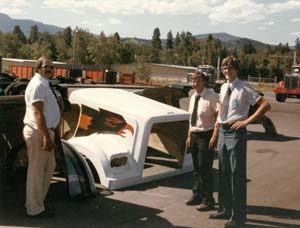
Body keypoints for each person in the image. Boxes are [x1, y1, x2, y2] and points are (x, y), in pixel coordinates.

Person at [209, 56, 271, 228]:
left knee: (237, 175)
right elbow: (221, 108)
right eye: (224, 68)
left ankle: (238, 217)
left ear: (236, 69)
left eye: (229, 68)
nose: (226, 71)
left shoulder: (244, 87)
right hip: (222, 131)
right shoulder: (223, 87)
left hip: (236, 133)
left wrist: (246, 121)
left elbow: (265, 105)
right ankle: (224, 209)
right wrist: (217, 128)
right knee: (223, 173)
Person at [23, 56, 60, 217]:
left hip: (45, 131)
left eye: (52, 67)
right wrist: (46, 136)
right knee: (37, 171)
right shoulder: (38, 85)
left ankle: (36, 203)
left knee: (48, 167)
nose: (50, 70)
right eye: (47, 67)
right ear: (38, 68)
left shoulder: (44, 83)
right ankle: (34, 209)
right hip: (39, 132)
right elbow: (37, 113)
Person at [185, 71, 219, 211]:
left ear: (204, 82)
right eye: (193, 81)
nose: (195, 84)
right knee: (196, 169)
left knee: (205, 168)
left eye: (198, 81)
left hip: (206, 135)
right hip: (194, 135)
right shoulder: (193, 97)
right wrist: (188, 136)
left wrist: (214, 136)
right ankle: (197, 194)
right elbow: (191, 119)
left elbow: (218, 116)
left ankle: (208, 199)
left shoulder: (211, 95)